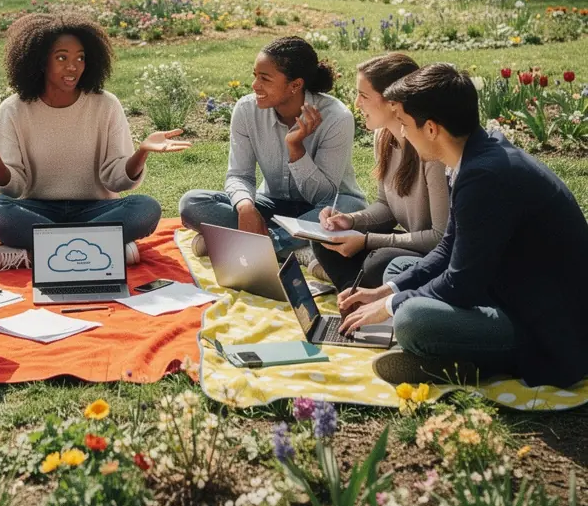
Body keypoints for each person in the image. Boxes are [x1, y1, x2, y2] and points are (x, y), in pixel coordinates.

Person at [340, 63, 588, 389]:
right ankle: (447, 353)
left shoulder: (484, 177)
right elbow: (448, 248)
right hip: (508, 288)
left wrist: (387, 307)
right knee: (398, 269)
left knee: (413, 320)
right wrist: (384, 292)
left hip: (543, 326)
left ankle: (465, 363)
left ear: (431, 129)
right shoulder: (472, 155)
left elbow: (462, 285)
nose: (400, 133)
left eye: (403, 123)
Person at [0, 13, 190, 272]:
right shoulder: (14, 109)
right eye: (62, 58)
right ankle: (105, 249)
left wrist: (142, 152)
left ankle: (39, 254)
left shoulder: (106, 105)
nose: (73, 67)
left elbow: (116, 181)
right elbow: (13, 189)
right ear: (40, 61)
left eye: (80, 57)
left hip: (96, 209)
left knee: (145, 209)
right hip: (37, 210)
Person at [179, 36, 365, 257]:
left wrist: (295, 148)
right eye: (255, 76)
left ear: (295, 85)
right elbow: (239, 174)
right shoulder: (246, 110)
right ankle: (299, 247)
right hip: (272, 205)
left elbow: (323, 196)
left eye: (265, 79)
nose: (254, 85)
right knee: (192, 203)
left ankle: (255, 245)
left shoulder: (336, 117)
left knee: (348, 209)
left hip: (324, 208)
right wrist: (245, 207)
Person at [312, 54, 449, 290]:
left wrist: (366, 241)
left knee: (381, 262)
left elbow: (439, 237)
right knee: (324, 240)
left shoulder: (431, 152)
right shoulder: (383, 137)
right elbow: (386, 207)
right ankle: (356, 290)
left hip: (436, 255)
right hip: (411, 246)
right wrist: (349, 220)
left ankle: (351, 287)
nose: (356, 103)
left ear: (393, 101)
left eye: (363, 95)